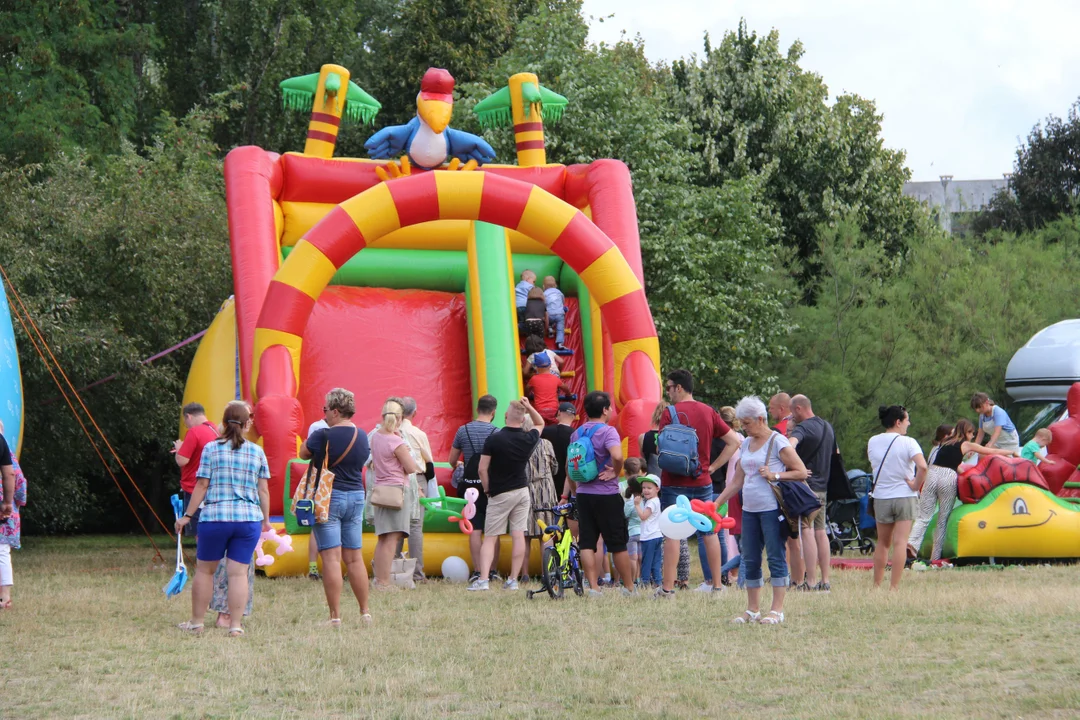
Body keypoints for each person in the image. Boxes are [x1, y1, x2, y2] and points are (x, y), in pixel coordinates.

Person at [175, 401, 271, 636]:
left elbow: (202, 484)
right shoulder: (257, 451)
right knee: (238, 574)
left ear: (224, 422)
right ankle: (235, 626)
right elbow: (263, 491)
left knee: (205, 572)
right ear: (247, 424)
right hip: (247, 520)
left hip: (215, 518)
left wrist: (187, 516)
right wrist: (266, 520)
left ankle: (197, 623)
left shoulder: (211, 449)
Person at [713, 396, 808, 624]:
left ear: (761, 418)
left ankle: (777, 610)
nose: (744, 428)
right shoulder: (746, 443)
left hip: (772, 509)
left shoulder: (778, 442)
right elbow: (737, 480)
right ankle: (753, 609)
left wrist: (775, 475)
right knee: (751, 558)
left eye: (747, 423)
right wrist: (718, 503)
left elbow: (801, 472)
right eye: (742, 423)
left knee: (775, 556)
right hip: (750, 510)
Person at [655, 370, 740, 599]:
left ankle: (668, 589)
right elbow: (734, 442)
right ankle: (717, 587)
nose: (669, 391)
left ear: (679, 388)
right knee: (709, 531)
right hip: (702, 480)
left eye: (670, 386)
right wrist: (713, 466)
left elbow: (659, 448)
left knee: (672, 535)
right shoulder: (708, 412)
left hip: (673, 481)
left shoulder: (669, 413)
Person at [298, 388, 371, 626]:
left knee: (330, 558)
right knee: (354, 558)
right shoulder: (362, 435)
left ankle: (335, 617)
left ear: (336, 411)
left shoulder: (322, 434)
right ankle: (364, 612)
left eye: (325, 409)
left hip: (330, 497)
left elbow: (303, 453)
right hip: (356, 495)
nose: (324, 414)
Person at [908, 418, 1019, 562]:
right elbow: (990, 450)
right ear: (966, 432)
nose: (973, 436)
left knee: (923, 517)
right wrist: (1011, 452)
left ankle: (911, 545)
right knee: (943, 519)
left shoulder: (944, 442)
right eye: (972, 433)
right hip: (948, 477)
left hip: (932, 474)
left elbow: (949, 461)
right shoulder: (965, 444)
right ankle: (935, 557)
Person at [468, 398, 544, 591]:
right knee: (518, 534)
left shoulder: (494, 439)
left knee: (491, 536)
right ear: (523, 418)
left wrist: (487, 489)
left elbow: (482, 469)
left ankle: (483, 579)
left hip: (499, 492)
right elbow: (540, 422)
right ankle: (512, 579)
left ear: (505, 415)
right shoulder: (528, 439)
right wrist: (529, 407)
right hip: (521, 490)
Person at [571, 391, 635, 594]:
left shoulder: (577, 433)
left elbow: (569, 466)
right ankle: (629, 587)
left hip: (584, 495)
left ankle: (594, 587)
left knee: (587, 542)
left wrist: (576, 490)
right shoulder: (608, 432)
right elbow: (617, 455)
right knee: (617, 543)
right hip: (606, 495)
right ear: (606, 409)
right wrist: (615, 472)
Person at [867, 405, 928, 590]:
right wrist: (916, 485)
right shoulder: (908, 442)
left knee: (882, 543)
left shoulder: (873, 441)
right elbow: (923, 467)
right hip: (904, 495)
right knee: (900, 542)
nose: (909, 424)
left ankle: (877, 585)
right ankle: (894, 587)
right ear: (898, 422)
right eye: (907, 420)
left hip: (882, 497)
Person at [369, 398, 423, 590]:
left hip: (381, 490)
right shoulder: (396, 441)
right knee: (392, 539)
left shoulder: (376, 436)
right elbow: (410, 467)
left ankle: (379, 579)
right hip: (397, 491)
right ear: (400, 419)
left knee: (383, 538)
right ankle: (384, 582)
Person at [448, 395, 500, 582]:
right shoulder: (497, 432)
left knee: (475, 529)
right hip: (490, 486)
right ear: (493, 412)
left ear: (477, 409)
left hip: (470, 487)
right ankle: (492, 570)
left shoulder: (463, 430)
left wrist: (460, 463)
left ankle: (478, 570)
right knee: (493, 530)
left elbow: (452, 460)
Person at [787, 394, 835, 592]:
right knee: (821, 531)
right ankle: (825, 580)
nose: (792, 416)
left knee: (806, 530)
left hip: (806, 488)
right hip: (823, 487)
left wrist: (794, 467)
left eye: (792, 412)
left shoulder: (803, 427)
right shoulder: (827, 427)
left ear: (799, 408)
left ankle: (811, 581)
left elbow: (789, 446)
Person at [398, 396, 434, 583]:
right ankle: (417, 573)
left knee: (395, 525)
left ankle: (393, 568)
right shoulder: (418, 434)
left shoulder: (388, 431)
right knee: (415, 526)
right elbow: (428, 461)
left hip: (395, 480)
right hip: (417, 479)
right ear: (414, 413)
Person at [172, 403, 219, 544]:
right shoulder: (215, 430)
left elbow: (182, 461)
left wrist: (179, 449)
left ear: (189, 416)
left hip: (194, 486)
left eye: (185, 421)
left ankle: (203, 559)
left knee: (198, 528)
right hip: (213, 486)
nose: (186, 425)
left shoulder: (194, 432)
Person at [522, 414, 559, 581]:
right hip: (546, 492)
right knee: (547, 534)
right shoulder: (546, 444)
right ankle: (548, 573)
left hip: (526, 491)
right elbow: (555, 468)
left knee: (525, 536)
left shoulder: (518, 444)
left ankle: (524, 574)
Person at [0, 423, 24, 609]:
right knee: (2, 552)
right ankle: (4, 596)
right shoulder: (7, 452)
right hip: (5, 513)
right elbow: (17, 479)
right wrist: (15, 501)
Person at [305, 414, 329, 580]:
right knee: (320, 522)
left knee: (319, 523)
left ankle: (315, 567)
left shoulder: (316, 427)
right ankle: (315, 566)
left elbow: (306, 452)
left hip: (319, 478)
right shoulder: (318, 427)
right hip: (326, 479)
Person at [620, 458, 645, 586]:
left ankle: (633, 580)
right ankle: (640, 579)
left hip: (631, 532)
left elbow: (624, 513)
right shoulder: (644, 497)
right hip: (643, 531)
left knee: (632, 558)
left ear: (625, 472)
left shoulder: (629, 500)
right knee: (640, 557)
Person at [526, 353, 570, 424]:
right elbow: (565, 387)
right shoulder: (555, 378)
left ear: (536, 367)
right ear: (550, 366)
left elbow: (527, 388)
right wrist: (569, 394)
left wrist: (526, 396)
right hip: (553, 409)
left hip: (539, 409)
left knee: (540, 426)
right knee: (554, 426)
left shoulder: (534, 379)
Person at [635, 474, 663, 586]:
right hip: (657, 535)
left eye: (649, 488)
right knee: (656, 561)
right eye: (644, 488)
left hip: (649, 536)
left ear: (657, 489)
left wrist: (637, 505)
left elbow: (643, 516)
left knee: (646, 561)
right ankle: (658, 581)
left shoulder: (651, 502)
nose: (646, 490)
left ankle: (644, 582)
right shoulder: (656, 500)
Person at [542, 275, 568, 350]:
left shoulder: (544, 294)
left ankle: (549, 327)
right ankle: (559, 343)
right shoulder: (559, 292)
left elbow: (544, 304)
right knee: (560, 329)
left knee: (547, 320)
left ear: (543, 286)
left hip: (549, 314)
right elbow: (563, 301)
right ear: (555, 285)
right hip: (559, 314)